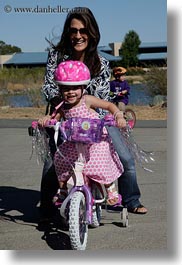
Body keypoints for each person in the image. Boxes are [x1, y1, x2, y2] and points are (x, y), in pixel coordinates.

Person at [40, 7, 147, 222]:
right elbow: (49, 88)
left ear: (92, 32)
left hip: (95, 122)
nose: (78, 35)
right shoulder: (57, 57)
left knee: (125, 158)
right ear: (68, 33)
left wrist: (111, 114)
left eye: (83, 30)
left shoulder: (102, 63)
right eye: (73, 30)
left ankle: (131, 200)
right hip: (65, 117)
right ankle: (47, 207)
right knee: (54, 162)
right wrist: (64, 108)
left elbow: (103, 99)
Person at [39, 60, 126, 206]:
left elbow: (109, 105)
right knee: (61, 159)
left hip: (95, 141)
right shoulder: (62, 106)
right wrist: (47, 119)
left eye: (75, 88)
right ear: (60, 90)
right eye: (66, 89)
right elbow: (55, 118)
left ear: (83, 87)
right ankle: (62, 190)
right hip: (74, 142)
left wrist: (118, 115)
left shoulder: (87, 100)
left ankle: (110, 188)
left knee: (100, 160)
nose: (70, 92)